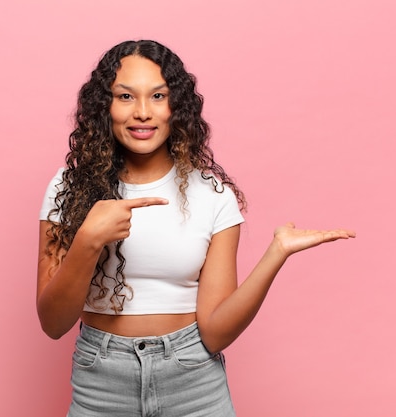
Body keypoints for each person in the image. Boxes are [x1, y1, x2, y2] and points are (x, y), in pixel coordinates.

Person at [37, 40, 355, 417]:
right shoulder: (68, 188)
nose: (142, 112)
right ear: (104, 106)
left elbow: (216, 333)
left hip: (193, 381)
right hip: (101, 383)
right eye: (125, 96)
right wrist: (89, 239)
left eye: (158, 96)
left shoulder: (213, 196)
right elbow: (53, 323)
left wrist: (277, 253)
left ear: (178, 108)